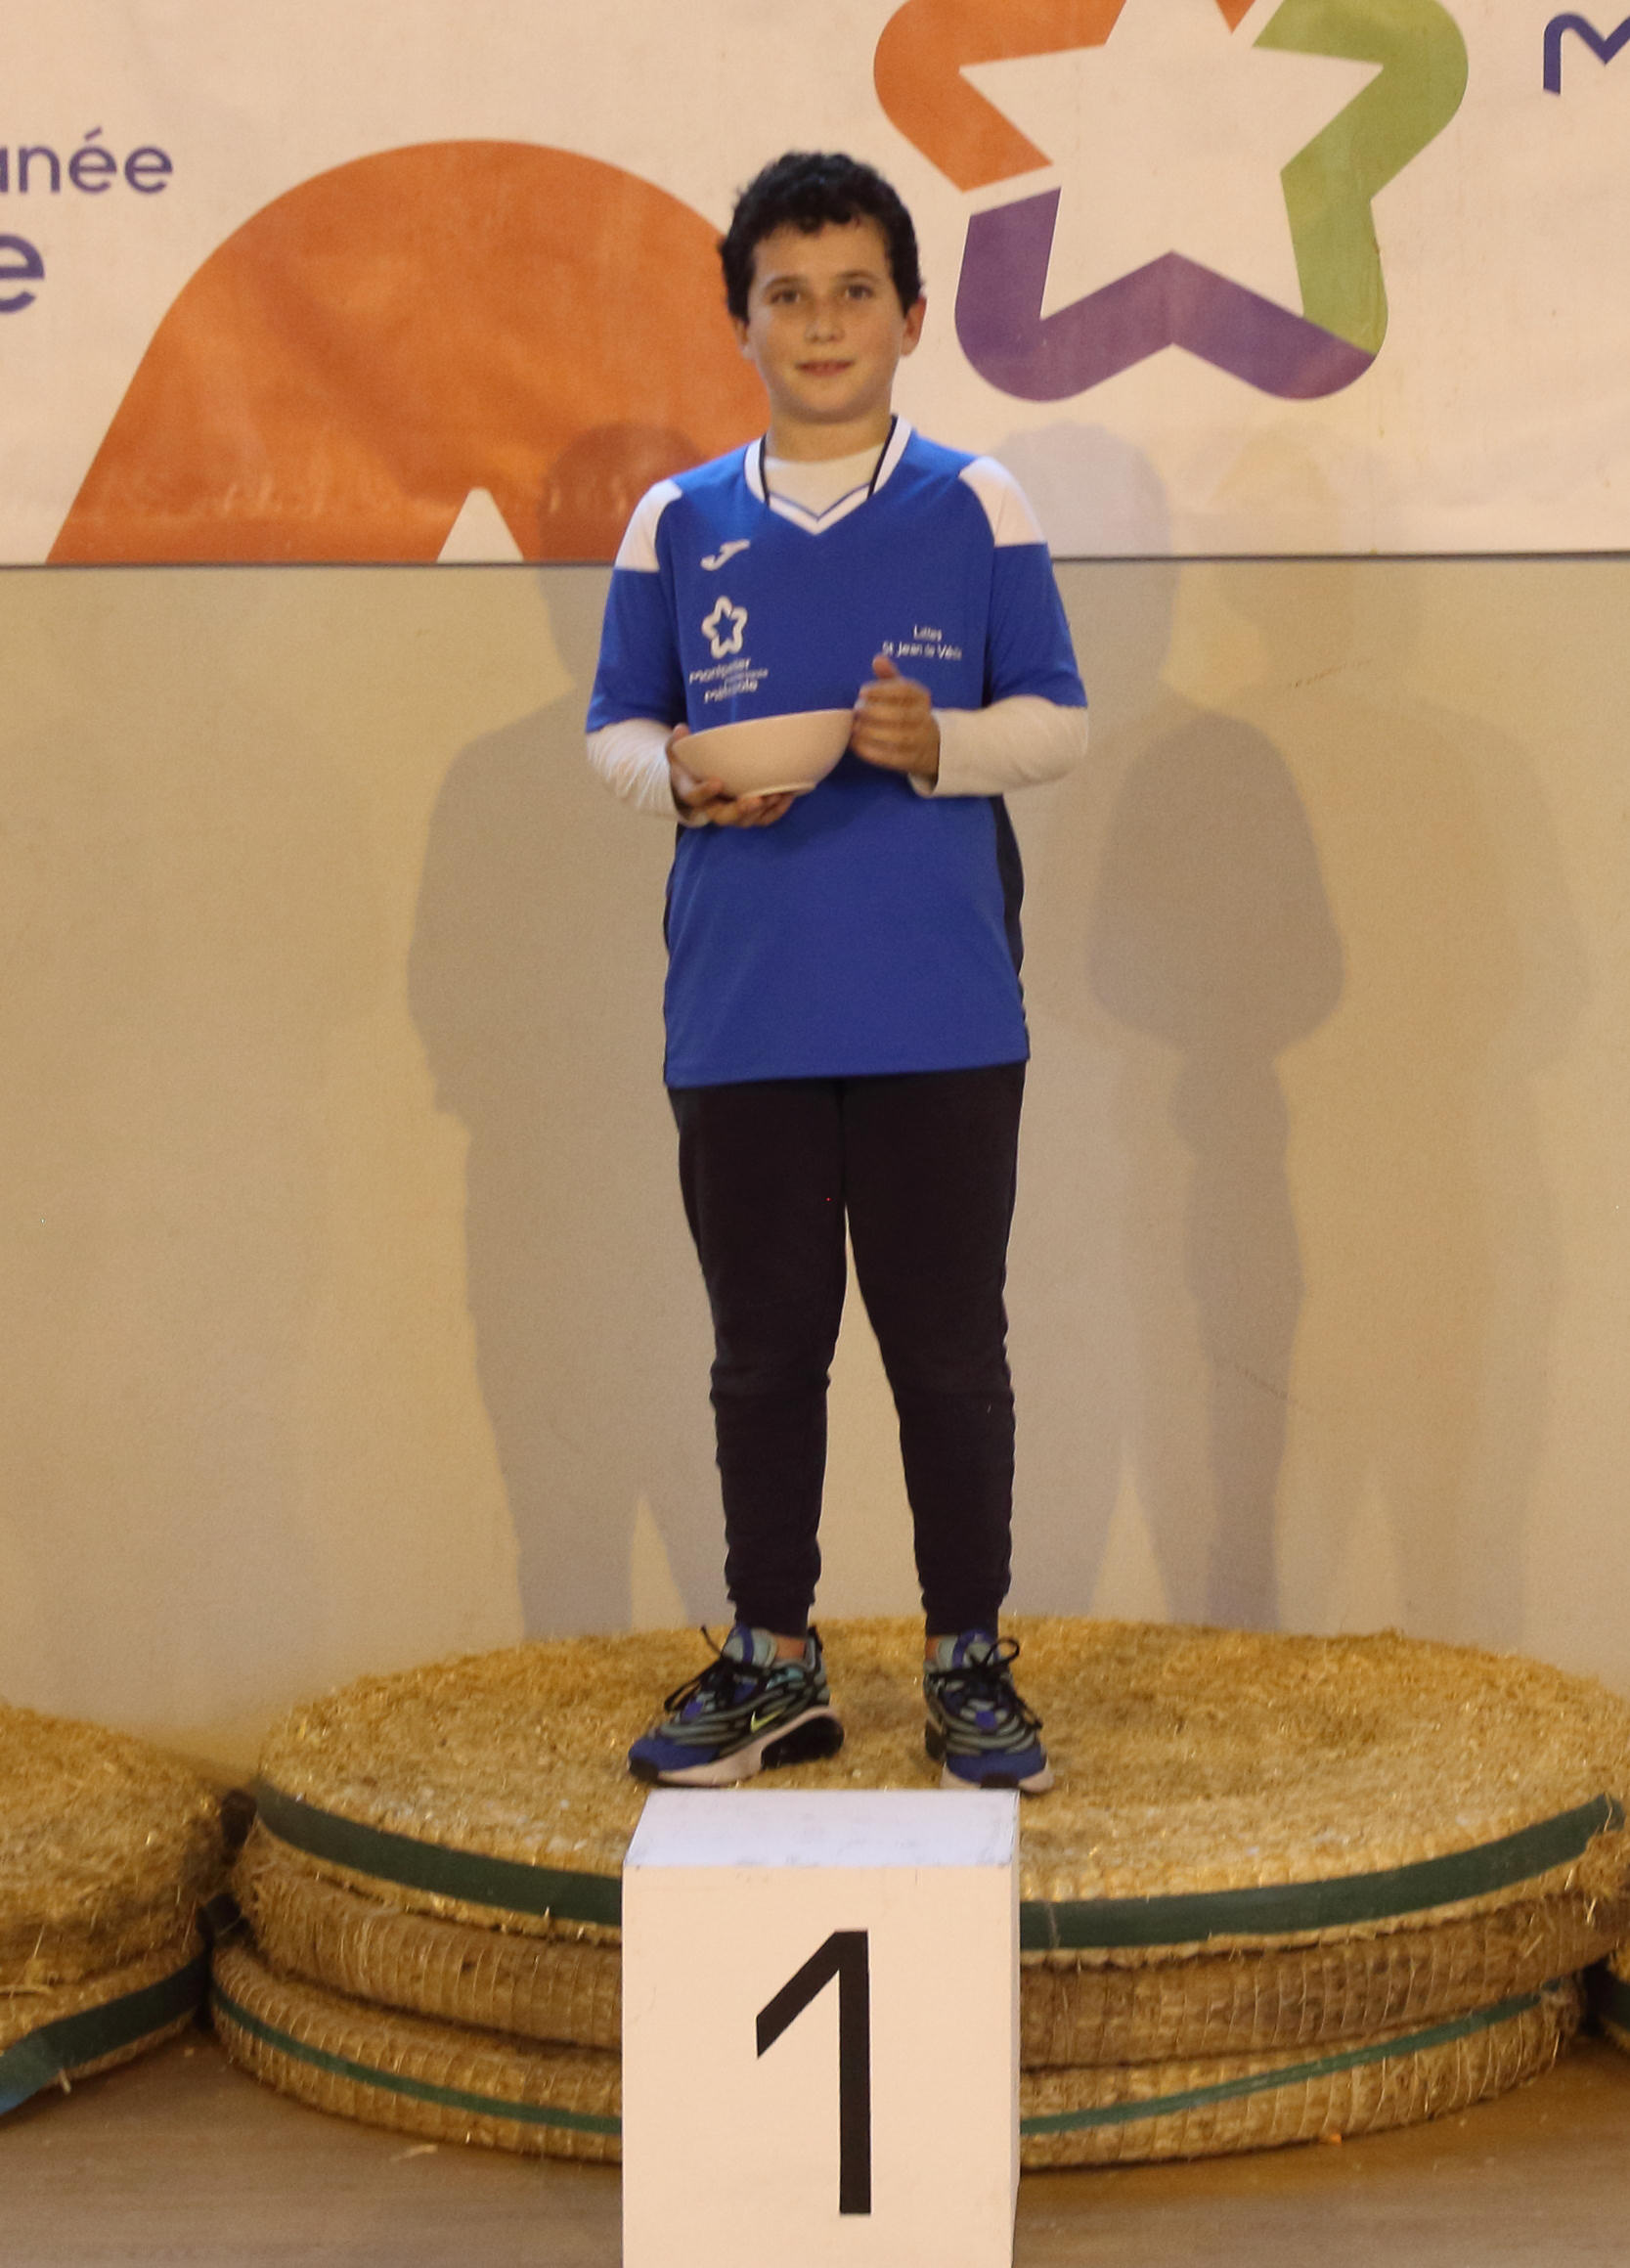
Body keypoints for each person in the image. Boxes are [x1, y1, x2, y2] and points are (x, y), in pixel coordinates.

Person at [585, 151, 1086, 1794]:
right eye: (787, 294)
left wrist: (942, 746)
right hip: (742, 1015)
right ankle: (773, 1660)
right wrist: (677, 780)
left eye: (855, 290)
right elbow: (616, 727)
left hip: (945, 1011)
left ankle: (968, 1661)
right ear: (741, 321)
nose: (821, 322)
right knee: (762, 1354)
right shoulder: (678, 519)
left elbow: (1058, 723)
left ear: (912, 317)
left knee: (949, 1351)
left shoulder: (976, 502)